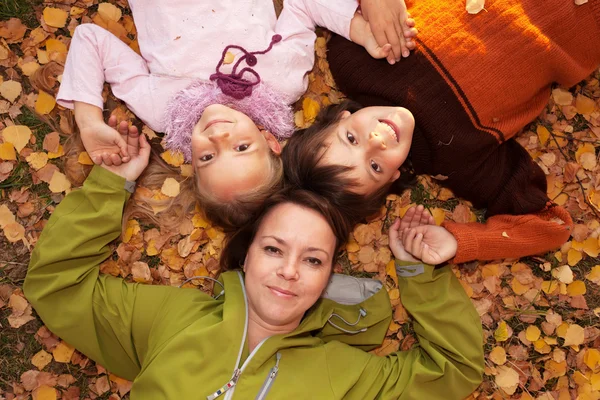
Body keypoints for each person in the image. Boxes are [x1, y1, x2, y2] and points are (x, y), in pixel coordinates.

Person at [24, 123, 483, 399]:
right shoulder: (174, 319)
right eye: (274, 249)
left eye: (313, 260)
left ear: (326, 278)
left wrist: (419, 274)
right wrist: (112, 184)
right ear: (246, 258)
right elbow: (57, 285)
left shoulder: (345, 375)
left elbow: (454, 372)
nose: (289, 271)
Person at [282, 0, 600, 263]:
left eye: (351, 138)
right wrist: (461, 242)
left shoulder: (354, 58)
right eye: (375, 166)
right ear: (393, 178)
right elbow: (553, 226)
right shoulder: (460, 163)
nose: (377, 141)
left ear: (339, 119)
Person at [56, 0, 417, 230]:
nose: (219, 137)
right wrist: (359, 30)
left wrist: (88, 122)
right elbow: (301, 5)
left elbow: (91, 39)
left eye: (209, 156)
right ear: (269, 139)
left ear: (193, 163)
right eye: (242, 147)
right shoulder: (282, 82)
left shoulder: (163, 109)